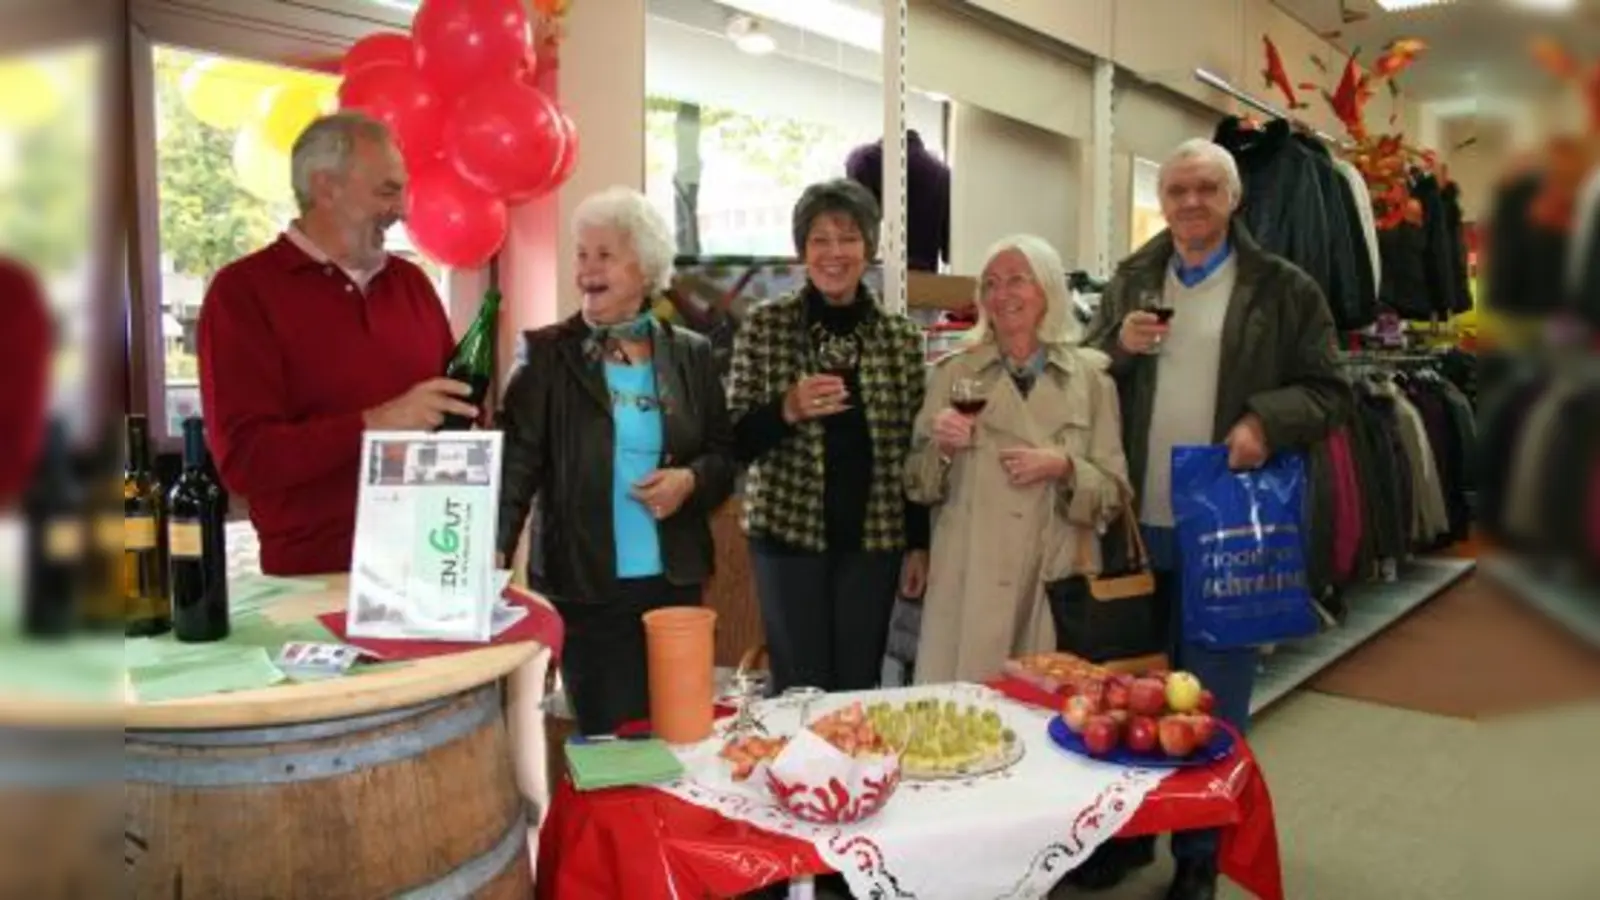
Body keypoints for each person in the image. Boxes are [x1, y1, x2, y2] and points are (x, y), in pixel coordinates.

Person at [1082, 138, 1349, 900]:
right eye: (1176, 191)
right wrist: (1117, 348)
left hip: (1226, 526)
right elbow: (1086, 372)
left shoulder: (1284, 288)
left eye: (1206, 188)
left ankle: (1199, 852)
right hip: (1135, 522)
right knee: (1128, 691)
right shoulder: (1134, 276)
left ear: (1235, 198)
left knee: (1213, 701)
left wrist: (1266, 420)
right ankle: (1129, 836)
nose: (1190, 203)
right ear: (1160, 201)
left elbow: (1331, 390)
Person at [496, 186, 737, 737]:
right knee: (611, 740)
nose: (587, 269)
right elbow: (514, 469)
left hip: (673, 582)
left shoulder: (691, 353)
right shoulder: (547, 354)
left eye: (605, 255)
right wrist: (490, 558)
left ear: (645, 267)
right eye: (582, 254)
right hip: (585, 582)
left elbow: (723, 454)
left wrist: (690, 480)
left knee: (679, 733)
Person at [199, 113, 473, 576]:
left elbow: (454, 416)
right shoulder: (242, 293)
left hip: (431, 563)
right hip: (313, 581)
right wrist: (375, 423)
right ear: (326, 188)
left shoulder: (413, 284)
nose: (403, 210)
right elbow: (245, 461)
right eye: (387, 191)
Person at [728, 178, 930, 694]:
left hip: (874, 543)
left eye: (848, 238)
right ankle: (797, 777)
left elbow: (914, 449)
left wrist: (918, 544)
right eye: (820, 239)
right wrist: (787, 409)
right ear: (802, 252)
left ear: (869, 248)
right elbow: (732, 439)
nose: (834, 252)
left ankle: (851, 780)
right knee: (798, 689)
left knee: (859, 686)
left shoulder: (901, 337)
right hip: (786, 541)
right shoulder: (766, 325)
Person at [906, 235, 1129, 683]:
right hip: (968, 586)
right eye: (990, 283)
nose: (1001, 294)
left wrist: (1065, 468)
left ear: (1047, 289)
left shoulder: (1092, 381)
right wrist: (944, 448)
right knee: (963, 727)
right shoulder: (955, 373)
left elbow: (1114, 493)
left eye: (1016, 280)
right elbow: (915, 481)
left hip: (1050, 582)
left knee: (1039, 720)